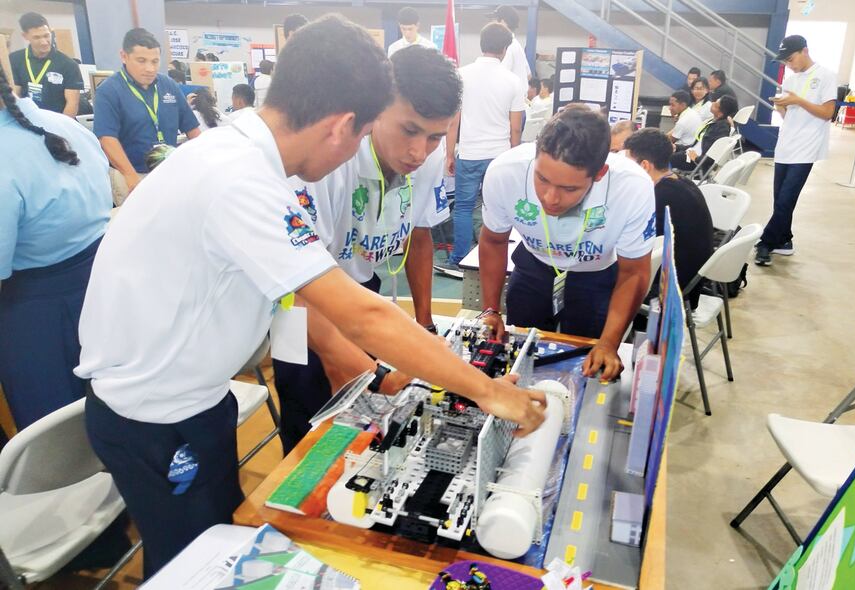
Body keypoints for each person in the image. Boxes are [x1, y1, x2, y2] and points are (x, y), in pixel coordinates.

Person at [74, 16, 546, 578]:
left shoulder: (238, 156)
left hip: (192, 400)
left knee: (219, 541)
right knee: (192, 566)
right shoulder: (241, 180)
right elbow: (359, 314)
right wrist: (489, 393)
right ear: (343, 125)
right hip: (157, 417)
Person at [277, 46, 461, 453]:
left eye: (435, 136)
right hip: (297, 302)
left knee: (368, 419)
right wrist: (348, 361)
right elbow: (296, 287)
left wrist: (426, 325)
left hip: (362, 288)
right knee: (311, 427)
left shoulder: (427, 159)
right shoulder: (328, 158)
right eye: (409, 130)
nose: (420, 152)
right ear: (376, 109)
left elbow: (421, 236)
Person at [478, 108, 656, 380]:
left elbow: (634, 272)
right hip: (533, 268)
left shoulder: (632, 187)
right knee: (518, 358)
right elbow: (493, 240)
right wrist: (490, 310)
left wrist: (609, 342)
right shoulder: (505, 172)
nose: (550, 198)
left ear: (599, 174)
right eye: (542, 179)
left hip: (596, 277)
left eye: (569, 189)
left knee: (588, 363)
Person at [0, 66, 111, 429]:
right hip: (102, 286)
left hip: (37, 311)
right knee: (109, 408)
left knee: (56, 428)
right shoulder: (67, 124)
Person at [440, 23, 525, 276]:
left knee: (464, 207)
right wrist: (514, 157)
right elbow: (516, 128)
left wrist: (449, 153)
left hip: (469, 154)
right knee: (496, 209)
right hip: (499, 157)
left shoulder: (461, 75)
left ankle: (459, 258)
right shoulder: (513, 81)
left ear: (481, 43)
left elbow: (453, 120)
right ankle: (491, 257)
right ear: (505, 48)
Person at [93, 28, 200, 205]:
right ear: (124, 56)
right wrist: (130, 175)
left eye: (155, 61)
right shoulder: (110, 91)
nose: (150, 68)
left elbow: (192, 129)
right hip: (131, 174)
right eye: (141, 61)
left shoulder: (168, 86)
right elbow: (107, 138)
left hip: (168, 172)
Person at [756, 35, 836, 267]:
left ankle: (766, 243)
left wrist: (798, 100)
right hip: (786, 144)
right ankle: (785, 240)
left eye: (791, 59)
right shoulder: (790, 81)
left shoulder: (825, 76)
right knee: (779, 199)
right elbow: (790, 116)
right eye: (785, 63)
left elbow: (827, 113)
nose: (789, 65)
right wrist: (781, 107)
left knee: (786, 199)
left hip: (807, 146)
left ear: (805, 51)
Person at [624, 128, 713, 309]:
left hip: (671, 289)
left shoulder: (660, 197)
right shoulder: (681, 182)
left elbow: (636, 246)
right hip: (691, 280)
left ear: (645, 166)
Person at [9, 12, 84, 117]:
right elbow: (14, 96)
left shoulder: (68, 64)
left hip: (58, 122)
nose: (44, 42)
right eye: (37, 37)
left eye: (46, 35)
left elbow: (72, 104)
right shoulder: (15, 59)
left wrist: (60, 130)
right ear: (25, 36)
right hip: (27, 121)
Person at [671, 95, 737, 173]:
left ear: (720, 114)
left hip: (696, 162)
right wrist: (677, 147)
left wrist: (696, 158)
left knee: (664, 159)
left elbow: (711, 157)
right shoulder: (714, 122)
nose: (712, 103)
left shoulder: (721, 129)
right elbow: (697, 145)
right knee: (665, 151)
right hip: (692, 154)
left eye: (715, 105)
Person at [490, 6, 531, 104]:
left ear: (503, 22)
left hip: (509, 105)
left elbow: (501, 79)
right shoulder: (515, 44)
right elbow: (528, 75)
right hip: (517, 103)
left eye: (494, 20)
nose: (491, 24)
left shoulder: (506, 46)